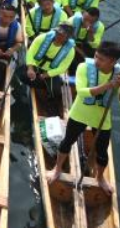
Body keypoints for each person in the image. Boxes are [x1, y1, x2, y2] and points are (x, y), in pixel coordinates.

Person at [46, 42, 120, 194]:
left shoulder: (118, 75)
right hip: (80, 113)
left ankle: (100, 178)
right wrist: (108, 85)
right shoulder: (84, 67)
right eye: (96, 56)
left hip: (101, 118)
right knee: (67, 142)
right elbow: (81, 92)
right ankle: (57, 169)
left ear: (113, 62)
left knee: (102, 152)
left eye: (102, 59)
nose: (96, 61)